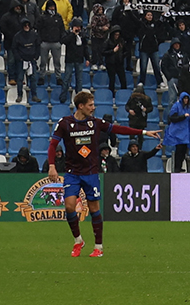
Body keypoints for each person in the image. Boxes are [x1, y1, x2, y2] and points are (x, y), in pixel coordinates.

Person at [44, 87, 149, 258]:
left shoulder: (95, 123)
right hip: (72, 172)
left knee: (94, 210)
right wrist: (52, 165)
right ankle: (78, 240)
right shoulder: (64, 123)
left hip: (91, 172)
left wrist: (143, 132)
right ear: (80, 106)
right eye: (90, 105)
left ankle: (98, 247)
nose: (93, 108)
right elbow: (53, 145)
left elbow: (118, 129)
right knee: (69, 206)